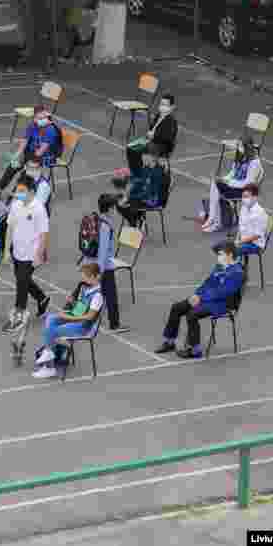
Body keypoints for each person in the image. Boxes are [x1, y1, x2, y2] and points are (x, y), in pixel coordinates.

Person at [156, 242, 244, 359]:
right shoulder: (220, 266)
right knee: (177, 307)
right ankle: (169, 341)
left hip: (223, 304)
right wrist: (197, 295)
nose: (218, 257)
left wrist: (201, 298)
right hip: (208, 298)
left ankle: (195, 350)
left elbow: (223, 292)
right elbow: (207, 283)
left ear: (230, 255)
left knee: (192, 314)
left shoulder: (237, 272)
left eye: (220, 254)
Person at [4, 176, 50, 364]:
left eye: (22, 191)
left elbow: (44, 234)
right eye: (18, 190)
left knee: (21, 283)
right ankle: (41, 298)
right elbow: (10, 227)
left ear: (31, 191)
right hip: (17, 252)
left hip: (31, 254)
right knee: (23, 280)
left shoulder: (39, 208)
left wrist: (40, 253)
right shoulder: (15, 205)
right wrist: (6, 250)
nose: (18, 193)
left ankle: (19, 314)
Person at [33, 263, 105, 378]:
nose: (83, 279)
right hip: (75, 319)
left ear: (93, 276)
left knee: (52, 331)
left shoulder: (98, 295)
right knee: (50, 318)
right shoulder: (86, 288)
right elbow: (81, 309)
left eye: (85, 277)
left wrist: (70, 318)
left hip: (84, 327)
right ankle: (49, 351)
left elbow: (90, 317)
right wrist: (73, 303)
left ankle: (49, 366)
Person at [0, 106, 62, 202]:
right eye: (38, 118)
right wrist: (17, 155)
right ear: (34, 118)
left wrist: (27, 164)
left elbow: (41, 151)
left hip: (46, 156)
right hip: (31, 153)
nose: (42, 120)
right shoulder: (33, 125)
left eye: (43, 117)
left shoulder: (51, 130)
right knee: (12, 167)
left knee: (25, 174)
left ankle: (15, 199)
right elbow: (25, 141)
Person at [200, 139, 263, 233]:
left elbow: (247, 183)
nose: (239, 150)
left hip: (244, 190)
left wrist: (228, 182)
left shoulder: (255, 163)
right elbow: (231, 174)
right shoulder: (240, 157)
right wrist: (223, 179)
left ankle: (214, 221)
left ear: (248, 148)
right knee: (216, 183)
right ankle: (213, 220)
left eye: (242, 147)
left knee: (216, 187)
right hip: (234, 186)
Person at [83, 194, 124, 332]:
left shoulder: (95, 221)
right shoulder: (105, 226)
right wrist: (99, 271)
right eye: (114, 207)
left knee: (90, 294)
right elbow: (103, 250)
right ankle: (114, 324)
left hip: (91, 262)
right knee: (111, 295)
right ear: (110, 209)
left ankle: (85, 321)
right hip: (103, 266)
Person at [113, 143, 170, 228]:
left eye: (144, 155)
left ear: (153, 157)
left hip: (153, 200)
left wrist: (129, 198)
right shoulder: (146, 168)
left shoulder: (158, 172)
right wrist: (128, 193)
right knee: (118, 200)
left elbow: (149, 193)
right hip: (144, 196)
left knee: (126, 204)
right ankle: (137, 220)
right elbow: (139, 182)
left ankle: (135, 223)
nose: (142, 157)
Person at [127, 94, 177, 159]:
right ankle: (139, 163)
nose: (162, 106)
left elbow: (167, 138)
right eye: (161, 104)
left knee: (134, 149)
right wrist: (149, 134)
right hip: (151, 141)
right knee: (131, 147)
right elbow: (152, 127)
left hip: (161, 147)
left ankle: (143, 163)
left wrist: (153, 136)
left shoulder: (171, 121)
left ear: (172, 107)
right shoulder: (158, 116)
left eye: (165, 105)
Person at [235, 184, 269, 275]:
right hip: (243, 240)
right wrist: (237, 239)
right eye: (243, 196)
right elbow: (240, 226)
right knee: (221, 246)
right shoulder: (243, 208)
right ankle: (238, 272)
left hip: (255, 244)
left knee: (231, 250)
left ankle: (236, 275)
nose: (243, 199)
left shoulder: (260, 213)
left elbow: (257, 235)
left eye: (246, 196)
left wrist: (240, 242)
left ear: (254, 197)